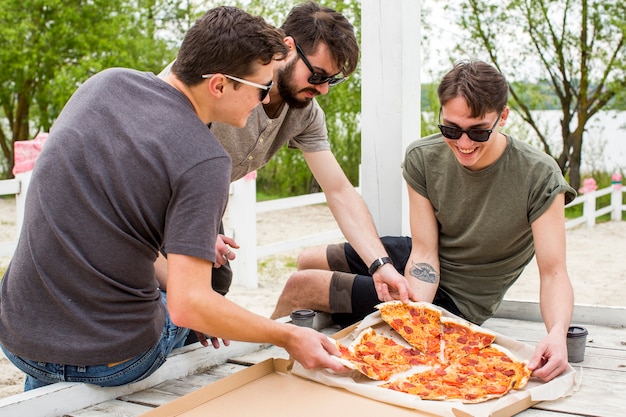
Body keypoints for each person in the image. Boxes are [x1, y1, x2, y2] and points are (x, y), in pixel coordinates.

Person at [0, 6, 345, 392]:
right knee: (204, 300)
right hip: (114, 361)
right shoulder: (206, 157)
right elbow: (187, 303)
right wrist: (287, 337)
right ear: (218, 84)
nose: (265, 101)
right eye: (261, 88)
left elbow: (110, 228)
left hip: (18, 336)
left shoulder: (105, 84)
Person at [271, 60, 576, 382]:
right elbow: (425, 251)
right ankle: (330, 316)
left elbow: (554, 272)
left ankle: (253, 353)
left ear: (503, 116)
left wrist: (557, 334)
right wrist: (414, 312)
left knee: (300, 285)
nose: (464, 143)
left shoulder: (540, 175)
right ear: (441, 115)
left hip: (461, 296)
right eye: (451, 129)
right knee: (307, 259)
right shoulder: (423, 156)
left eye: (478, 131)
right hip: (423, 261)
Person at [166, 1, 414, 347]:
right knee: (172, 296)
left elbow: (338, 191)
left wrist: (380, 264)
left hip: (202, 205)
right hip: (163, 202)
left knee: (217, 283)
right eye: (318, 75)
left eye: (332, 80)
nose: (324, 89)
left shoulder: (305, 113)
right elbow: (160, 156)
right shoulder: (223, 79)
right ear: (287, 47)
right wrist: (186, 229)